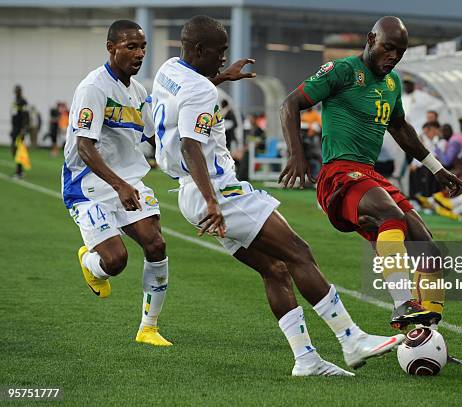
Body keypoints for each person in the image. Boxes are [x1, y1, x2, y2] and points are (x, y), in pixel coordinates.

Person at [151, 15, 404, 377]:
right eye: (220, 52)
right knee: (299, 253)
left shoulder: (169, 70)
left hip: (189, 194)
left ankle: (306, 359)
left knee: (275, 268)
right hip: (218, 191)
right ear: (199, 49)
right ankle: (351, 338)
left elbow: (189, 94)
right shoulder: (201, 91)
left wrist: (223, 76)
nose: (224, 57)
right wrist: (212, 200)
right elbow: (191, 145)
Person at [280, 16, 462, 332]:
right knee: (389, 213)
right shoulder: (342, 71)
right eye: (388, 48)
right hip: (338, 173)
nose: (393, 56)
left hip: (368, 175)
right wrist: (296, 154)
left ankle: (427, 334)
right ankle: (402, 303)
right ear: (371, 40)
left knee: (428, 249)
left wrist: (436, 169)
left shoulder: (392, 84)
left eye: (400, 52)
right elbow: (290, 103)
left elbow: (400, 128)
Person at [61, 20, 171, 347]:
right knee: (115, 261)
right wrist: (120, 185)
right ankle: (90, 263)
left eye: (142, 47)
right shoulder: (93, 88)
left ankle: (148, 328)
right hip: (88, 187)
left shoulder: (138, 93)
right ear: (111, 48)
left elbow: (155, 136)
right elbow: (84, 146)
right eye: (130, 47)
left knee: (156, 244)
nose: (139, 54)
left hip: (128, 180)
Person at [10, 85, 29, 178]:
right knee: (14, 150)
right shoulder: (15, 101)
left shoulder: (23, 102)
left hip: (20, 130)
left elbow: (26, 116)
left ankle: (20, 171)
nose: (17, 92)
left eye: (18, 91)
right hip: (14, 129)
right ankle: (18, 170)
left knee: (19, 150)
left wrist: (23, 129)